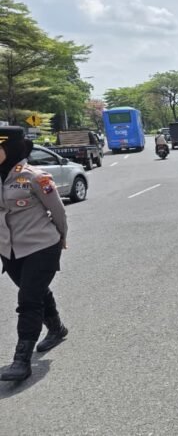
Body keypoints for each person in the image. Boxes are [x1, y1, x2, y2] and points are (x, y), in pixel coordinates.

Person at [0, 127, 69, 381]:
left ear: (11, 149)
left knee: (28, 299)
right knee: (36, 290)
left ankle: (21, 360)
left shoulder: (35, 176)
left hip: (42, 245)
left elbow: (58, 211)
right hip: (9, 250)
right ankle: (56, 328)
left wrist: (62, 238)